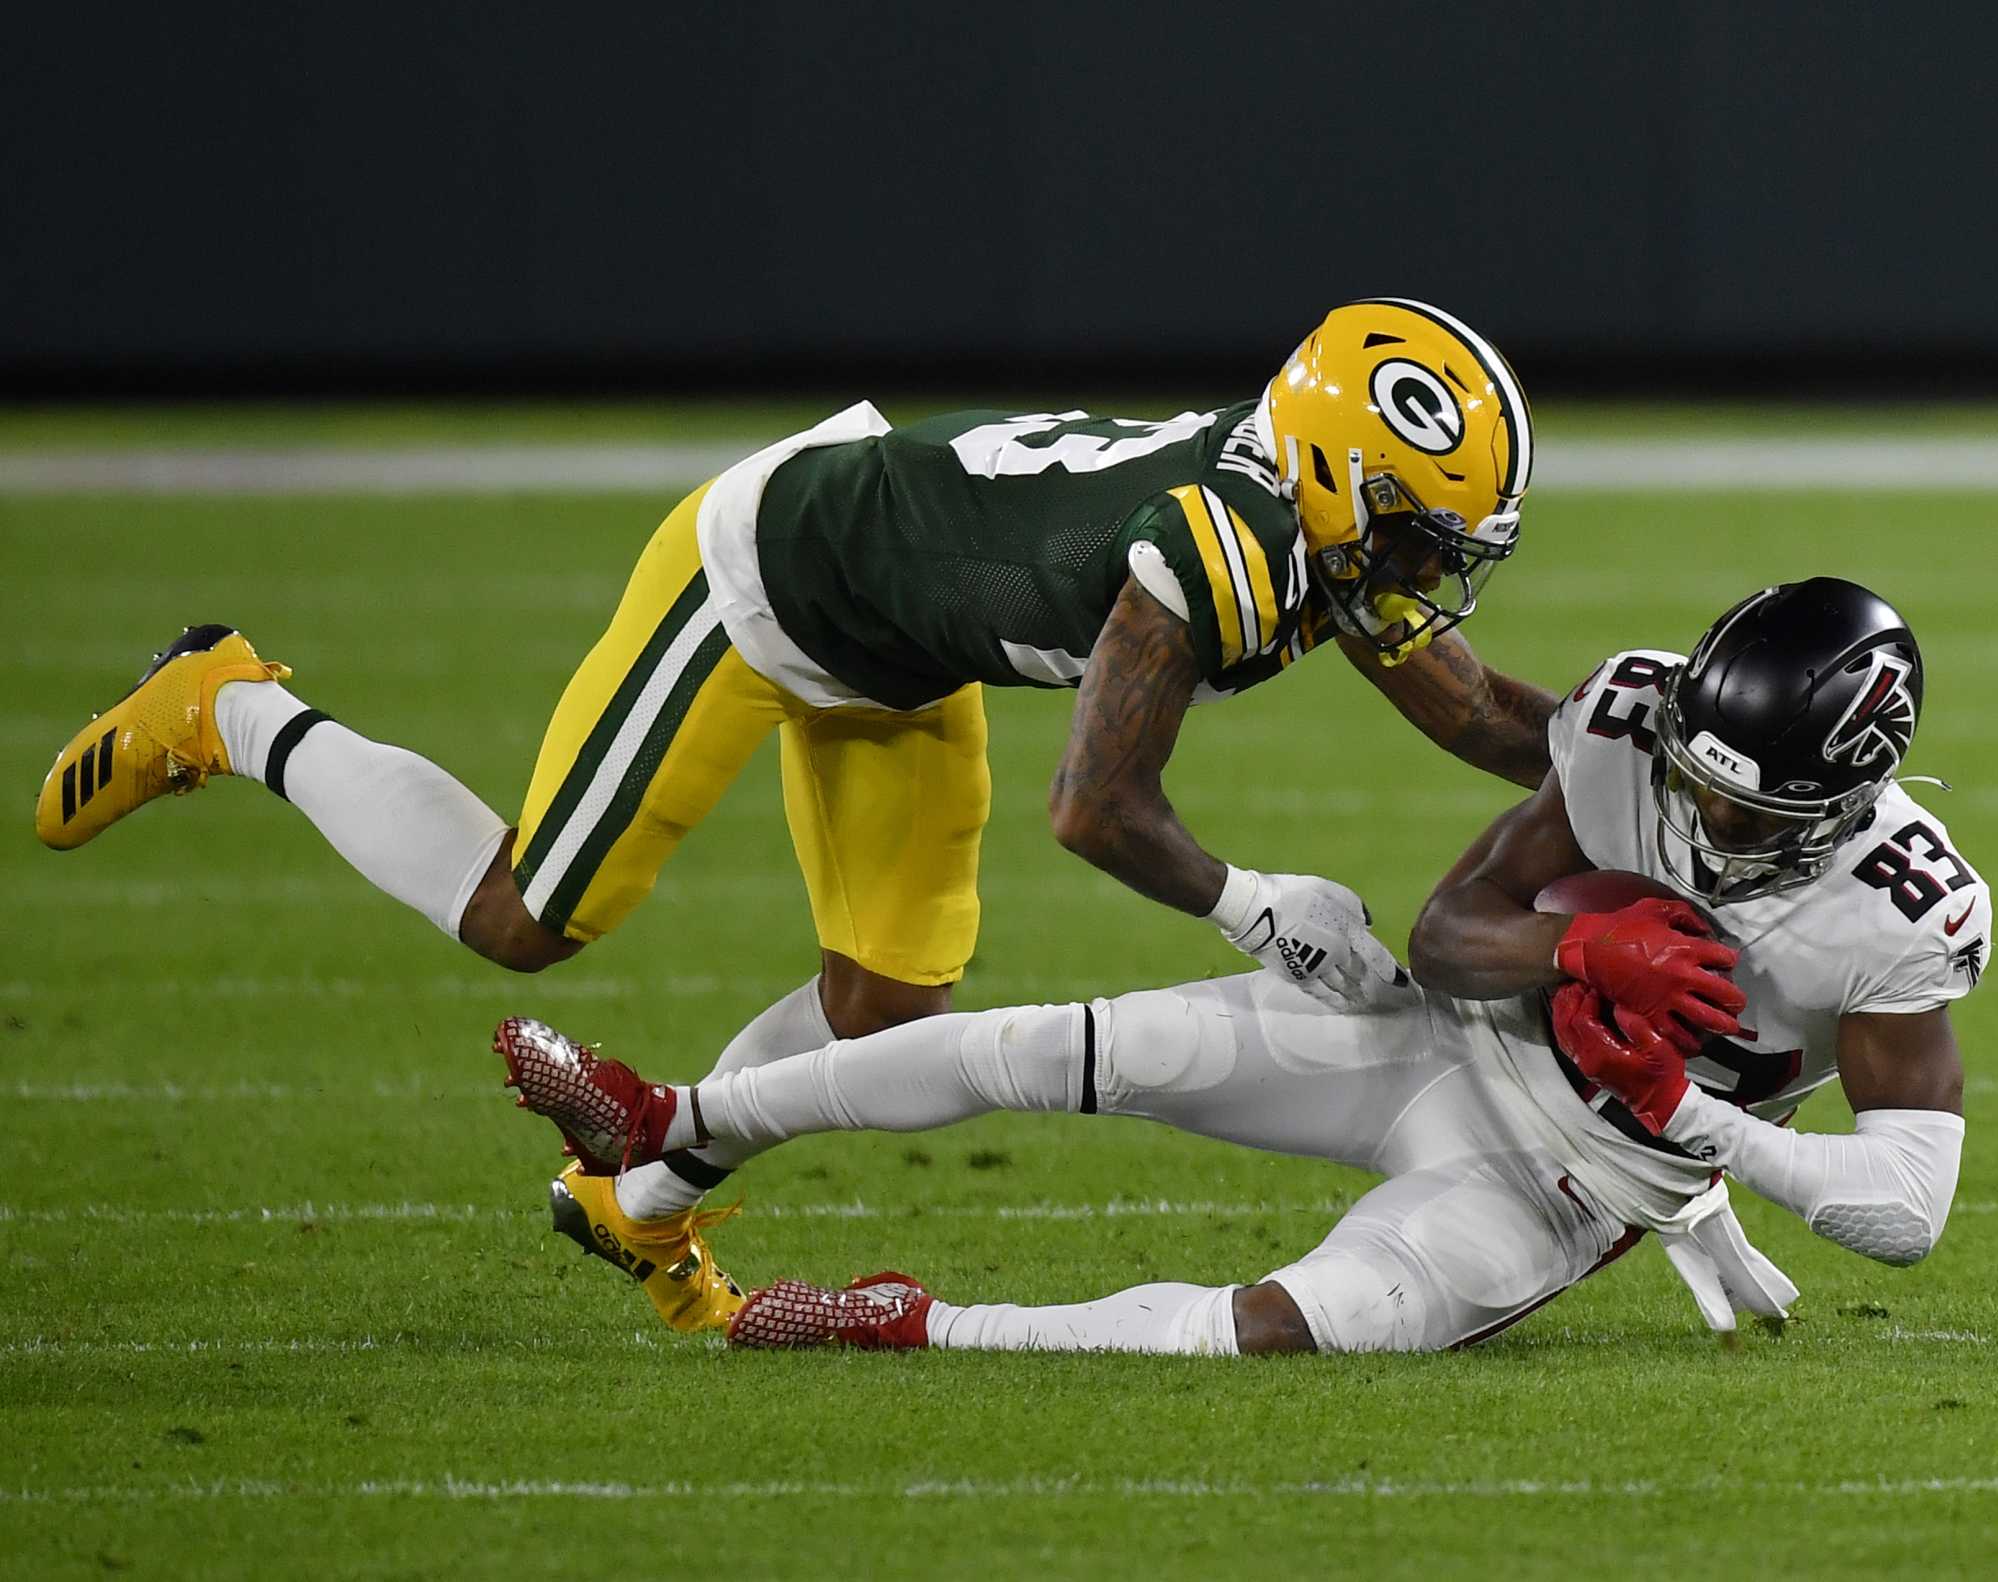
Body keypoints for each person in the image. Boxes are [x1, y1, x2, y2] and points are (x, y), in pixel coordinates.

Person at [35, 299, 1552, 1318]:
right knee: (523, 916)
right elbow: (1093, 806)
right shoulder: (1223, 545)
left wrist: (1666, 747)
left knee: (886, 1006)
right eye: (1422, 535)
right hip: (771, 576)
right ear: (1342, 481)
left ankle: (633, 1190)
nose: (1431, 570)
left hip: (906, 645)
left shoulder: (1314, 528)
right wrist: (1253, 907)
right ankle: (225, 702)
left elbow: (1483, 712)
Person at [504, 579, 1990, 1353]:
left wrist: (1699, 1131)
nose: (1694, 810)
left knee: (1271, 1329)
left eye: (1738, 806)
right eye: (1690, 774)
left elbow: (1910, 1209)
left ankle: (906, 1319)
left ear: (1839, 801)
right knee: (1064, 1042)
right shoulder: (1634, 728)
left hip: (1563, 1188)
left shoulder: (1898, 912)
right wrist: (1572, 945)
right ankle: (678, 1121)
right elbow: (1442, 936)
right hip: (1435, 1041)